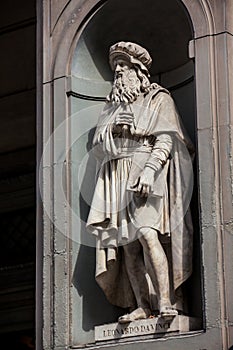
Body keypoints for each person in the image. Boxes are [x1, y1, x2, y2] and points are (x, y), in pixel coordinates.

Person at [86, 41, 194, 323]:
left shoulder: (159, 98)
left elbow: (167, 138)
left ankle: (168, 301)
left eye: (123, 66)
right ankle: (142, 306)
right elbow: (98, 148)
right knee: (128, 245)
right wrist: (112, 130)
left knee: (147, 233)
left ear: (139, 70)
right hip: (117, 174)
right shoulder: (111, 107)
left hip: (147, 169)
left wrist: (149, 170)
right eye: (116, 69)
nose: (118, 72)